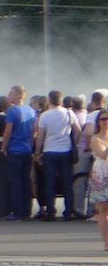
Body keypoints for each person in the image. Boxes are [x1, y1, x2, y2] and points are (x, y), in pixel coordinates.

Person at [35, 90, 78, 221]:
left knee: (50, 183)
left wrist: (37, 152)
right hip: (65, 151)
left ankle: (50, 212)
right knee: (67, 182)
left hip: (50, 151)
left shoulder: (45, 116)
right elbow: (78, 130)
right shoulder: (69, 113)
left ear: (49, 100)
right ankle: (68, 212)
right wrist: (73, 143)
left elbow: (40, 136)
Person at [1, 85, 37, 220]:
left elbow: (8, 131)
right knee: (26, 180)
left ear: (18, 95)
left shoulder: (12, 111)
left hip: (14, 149)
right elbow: (34, 131)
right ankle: (27, 210)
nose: (8, 96)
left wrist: (3, 147)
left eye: (11, 94)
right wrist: (31, 145)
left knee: (15, 181)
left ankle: (17, 211)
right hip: (26, 149)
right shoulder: (31, 111)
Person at [86, 111, 108, 251]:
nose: (106, 121)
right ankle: (107, 241)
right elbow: (102, 154)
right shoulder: (95, 139)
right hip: (102, 174)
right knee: (104, 209)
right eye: (103, 119)